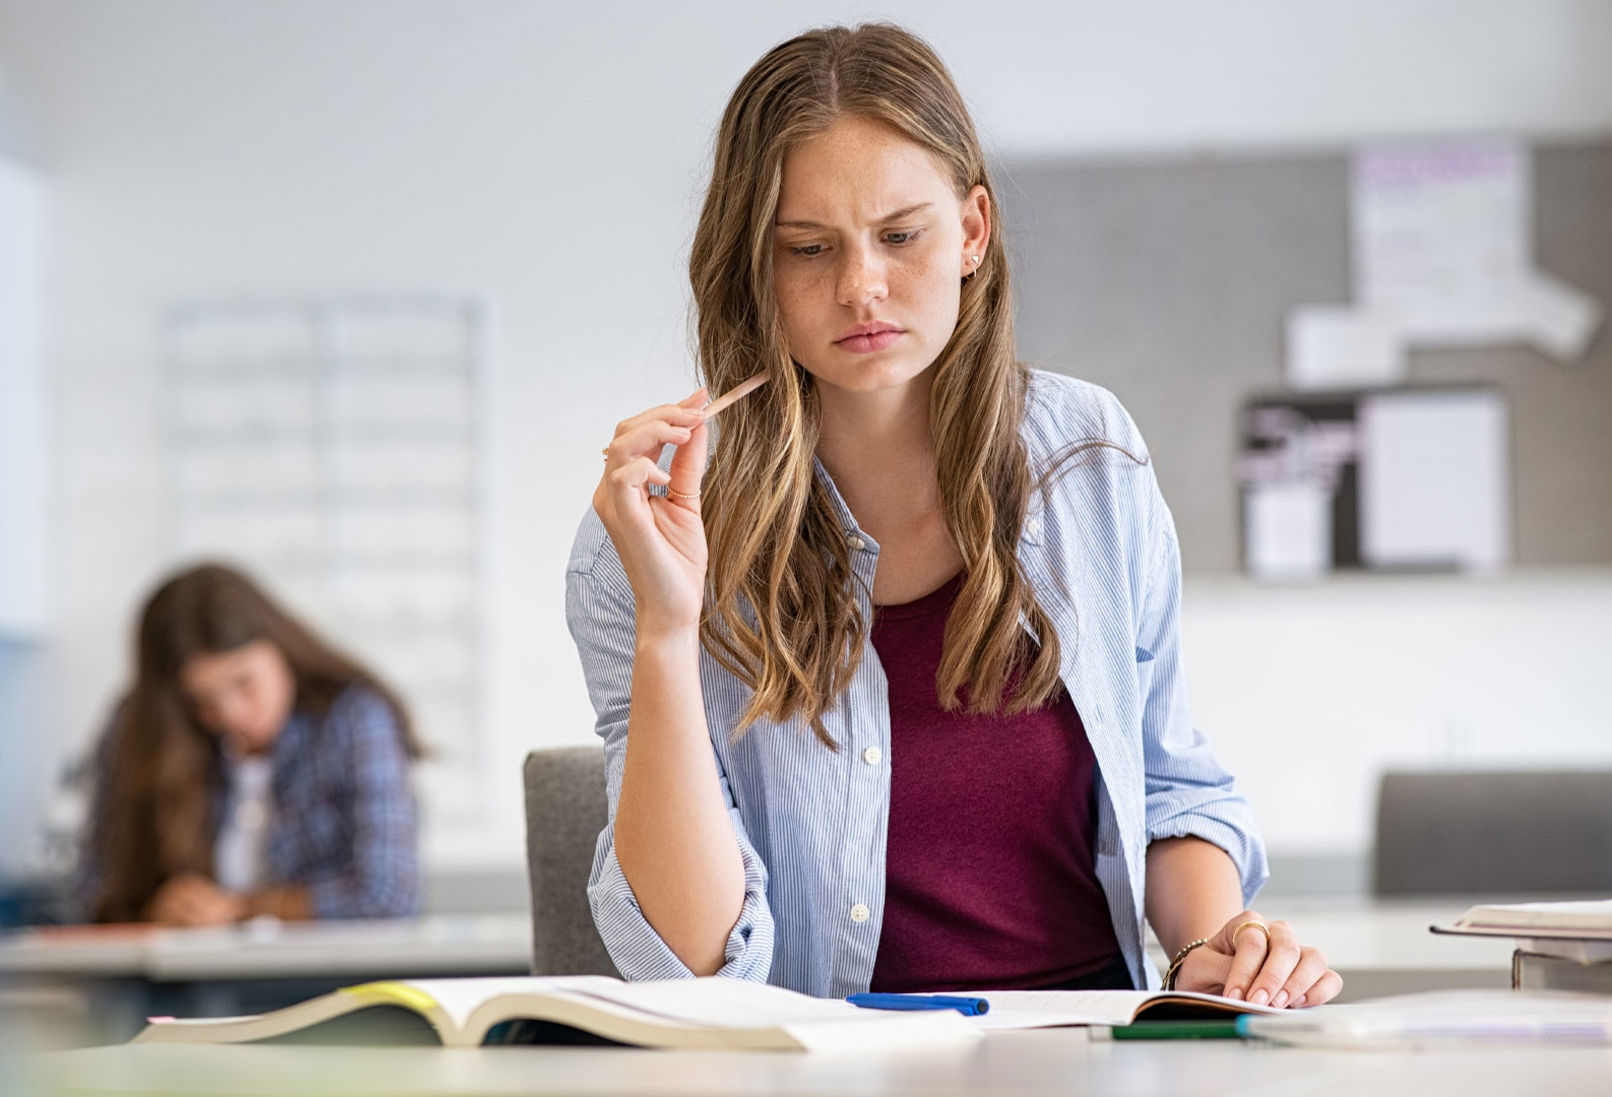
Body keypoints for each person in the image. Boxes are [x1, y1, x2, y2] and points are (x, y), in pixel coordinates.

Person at [569, 23, 1341, 1007]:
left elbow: (1169, 782)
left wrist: (1221, 943)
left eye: (900, 235)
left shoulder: (1086, 457)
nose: (861, 287)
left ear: (972, 229)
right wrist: (667, 630)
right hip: (826, 1066)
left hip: (1093, 1045)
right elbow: (685, 963)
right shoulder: (644, 533)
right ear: (753, 267)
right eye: (807, 249)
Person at [75, 562, 422, 925]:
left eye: (244, 683)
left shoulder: (355, 717)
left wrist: (241, 909)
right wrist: (154, 911)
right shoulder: (138, 728)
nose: (230, 714)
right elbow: (88, 891)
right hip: (181, 976)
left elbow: (387, 894)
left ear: (280, 648)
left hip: (325, 972)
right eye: (200, 701)